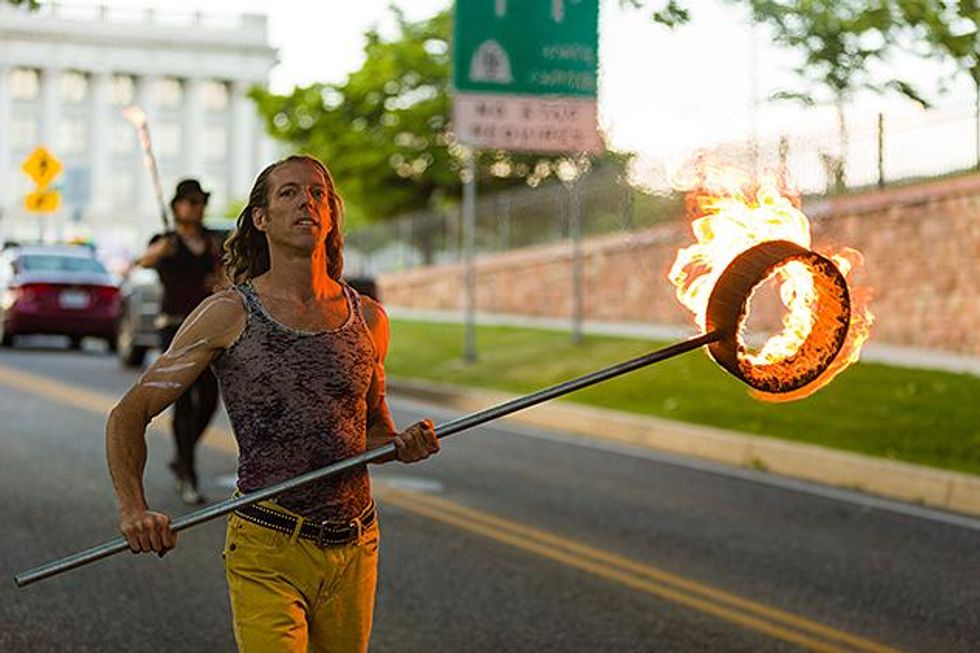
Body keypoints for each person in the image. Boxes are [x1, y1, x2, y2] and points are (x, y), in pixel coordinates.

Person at [106, 154, 439, 652]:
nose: (308, 201)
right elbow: (127, 415)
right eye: (289, 192)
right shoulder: (228, 313)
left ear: (331, 216)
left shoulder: (368, 319)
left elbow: (373, 432)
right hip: (267, 544)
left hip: (355, 546)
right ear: (260, 218)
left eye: (318, 193)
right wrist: (134, 509)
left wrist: (403, 444)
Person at [136, 179, 223, 505]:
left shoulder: (212, 242)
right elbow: (144, 261)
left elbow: (225, 275)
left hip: (207, 327)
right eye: (190, 201)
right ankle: (188, 473)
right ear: (176, 206)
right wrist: (163, 248)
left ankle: (182, 455)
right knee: (183, 401)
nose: (196, 207)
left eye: (200, 201)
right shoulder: (165, 241)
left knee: (210, 399)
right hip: (174, 328)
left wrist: (219, 283)